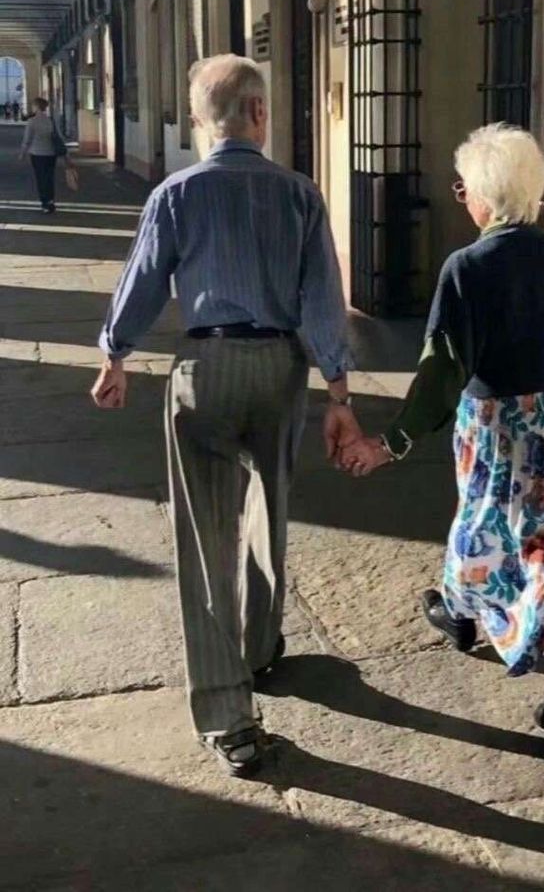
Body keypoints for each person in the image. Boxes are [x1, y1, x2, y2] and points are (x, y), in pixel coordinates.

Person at [91, 55, 359, 777]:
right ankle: (259, 646)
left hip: (204, 370)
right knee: (269, 507)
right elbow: (322, 301)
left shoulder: (176, 195)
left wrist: (115, 353)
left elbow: (143, 281)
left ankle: (226, 711)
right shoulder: (300, 196)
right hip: (278, 367)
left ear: (203, 121)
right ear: (260, 114)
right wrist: (340, 394)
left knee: (204, 538)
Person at [329, 124, 544, 764]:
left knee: (484, 525)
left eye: (464, 187)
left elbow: (441, 371)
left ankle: (465, 615)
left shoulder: (466, 267)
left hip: (497, 429)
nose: (460, 196)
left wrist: (392, 442)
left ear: (485, 196)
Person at [19, 97, 68, 213]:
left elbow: (27, 140)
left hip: (37, 154)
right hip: (51, 154)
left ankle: (44, 203)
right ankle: (51, 201)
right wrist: (66, 154)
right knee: (49, 178)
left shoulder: (32, 121)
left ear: (36, 107)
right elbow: (59, 137)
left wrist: (22, 153)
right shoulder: (50, 120)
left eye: (33, 106)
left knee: (40, 178)